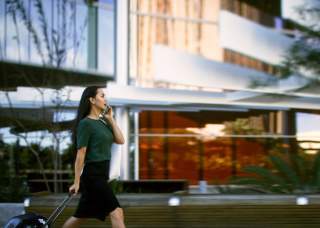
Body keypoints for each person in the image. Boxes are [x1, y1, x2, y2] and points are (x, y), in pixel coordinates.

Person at [62, 86, 126, 228]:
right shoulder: (86, 124)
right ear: (92, 99)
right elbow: (81, 153)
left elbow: (121, 140)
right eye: (102, 96)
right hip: (93, 175)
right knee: (116, 212)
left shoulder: (103, 122)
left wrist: (110, 119)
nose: (105, 99)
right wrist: (76, 182)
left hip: (102, 174)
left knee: (80, 216)